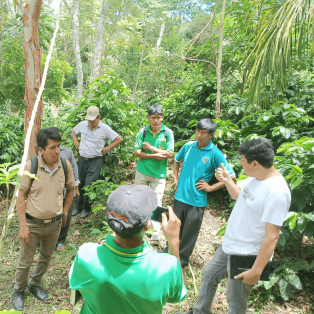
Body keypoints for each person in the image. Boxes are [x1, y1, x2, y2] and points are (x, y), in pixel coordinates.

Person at [177, 137, 291, 314]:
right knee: (208, 275)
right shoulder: (256, 177)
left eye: (243, 160)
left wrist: (256, 270)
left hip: (248, 254)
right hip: (230, 245)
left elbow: (272, 237)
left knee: (235, 299)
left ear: (254, 163)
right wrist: (227, 180)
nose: (240, 163)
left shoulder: (277, 192)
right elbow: (240, 196)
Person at [69, 185, 187, 314]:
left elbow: (76, 285)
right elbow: (176, 296)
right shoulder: (166, 267)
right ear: (147, 224)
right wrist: (174, 241)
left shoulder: (86, 254)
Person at [12, 128, 76, 311]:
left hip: (54, 224)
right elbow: (21, 195)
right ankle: (19, 290)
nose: (57, 151)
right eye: (52, 147)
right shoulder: (31, 167)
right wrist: (23, 225)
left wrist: (64, 211)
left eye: (59, 146)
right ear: (41, 150)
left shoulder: (65, 165)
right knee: (25, 260)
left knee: (46, 257)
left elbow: (71, 189)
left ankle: (35, 283)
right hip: (33, 223)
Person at [172, 118, 236, 267]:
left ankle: (181, 261)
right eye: (198, 131)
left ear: (211, 135)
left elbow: (231, 175)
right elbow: (176, 160)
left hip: (196, 201)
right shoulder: (188, 146)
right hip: (180, 196)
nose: (199, 135)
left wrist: (211, 187)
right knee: (174, 228)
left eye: (203, 133)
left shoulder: (215, 153)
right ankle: (169, 251)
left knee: (189, 234)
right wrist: (175, 178)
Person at [71, 105, 123, 218]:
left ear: (98, 118)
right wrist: (76, 143)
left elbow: (119, 139)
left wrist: (107, 148)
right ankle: (77, 207)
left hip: (95, 161)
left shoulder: (105, 128)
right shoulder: (83, 125)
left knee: (89, 185)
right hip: (82, 159)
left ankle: (86, 208)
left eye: (92, 120)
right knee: (79, 182)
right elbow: (73, 131)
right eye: (88, 120)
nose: (90, 123)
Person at [134, 104, 174, 206]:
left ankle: (154, 222)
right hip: (142, 172)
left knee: (155, 203)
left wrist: (152, 148)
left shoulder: (168, 133)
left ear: (162, 118)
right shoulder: (143, 132)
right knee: (138, 200)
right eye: (153, 118)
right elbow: (136, 152)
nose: (156, 120)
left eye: (158, 117)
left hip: (159, 175)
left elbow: (170, 154)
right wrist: (154, 156)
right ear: (148, 118)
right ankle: (140, 221)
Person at [51, 127, 80, 252]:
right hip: (51, 192)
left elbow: (74, 171)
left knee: (65, 217)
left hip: (66, 191)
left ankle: (60, 241)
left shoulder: (67, 152)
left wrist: (76, 189)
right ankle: (49, 241)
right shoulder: (44, 152)